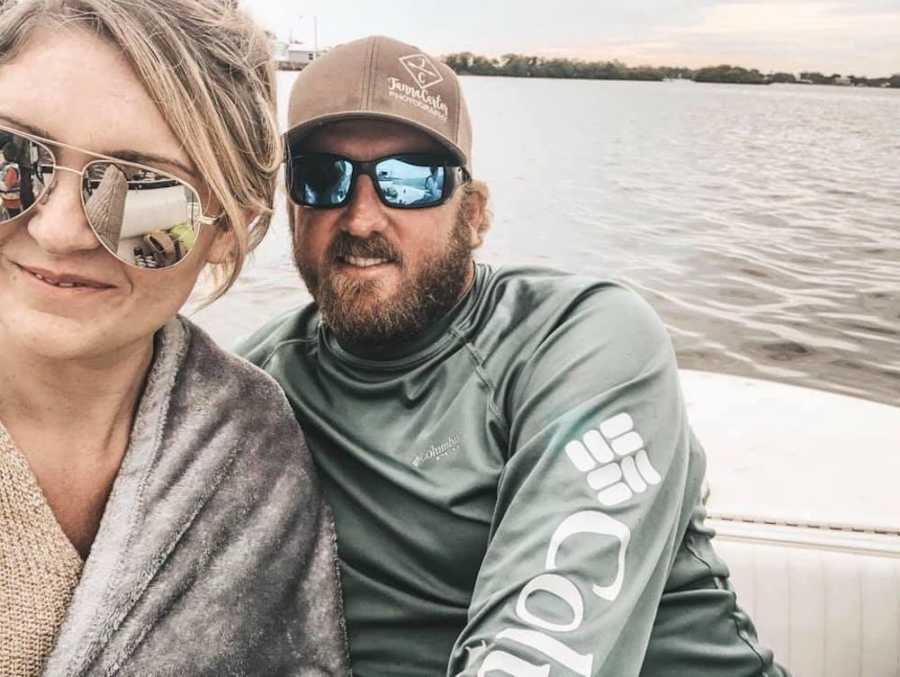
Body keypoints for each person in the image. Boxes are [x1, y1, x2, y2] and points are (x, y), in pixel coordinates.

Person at [240, 36, 789, 677]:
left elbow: (547, 644)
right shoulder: (255, 385)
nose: (361, 219)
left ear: (472, 215)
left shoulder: (577, 339)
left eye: (410, 181)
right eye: (322, 177)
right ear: (292, 209)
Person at [0, 1, 348, 675]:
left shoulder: (250, 451)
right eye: (12, 157)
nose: (61, 230)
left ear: (229, 229)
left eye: (143, 192)